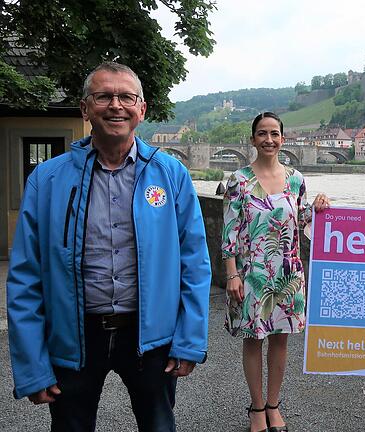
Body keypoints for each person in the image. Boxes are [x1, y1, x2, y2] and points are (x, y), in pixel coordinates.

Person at [6, 61, 211, 430]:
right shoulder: (48, 179)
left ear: (141, 109)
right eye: (103, 96)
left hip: (151, 337)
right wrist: (32, 366)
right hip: (74, 336)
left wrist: (189, 340)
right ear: (85, 109)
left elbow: (194, 262)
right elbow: (25, 276)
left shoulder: (170, 174)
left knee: (159, 426)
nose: (116, 105)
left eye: (126, 96)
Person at [221, 112, 329, 432]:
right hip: (251, 271)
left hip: (287, 271)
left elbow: (305, 221)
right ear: (253, 139)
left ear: (283, 138)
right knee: (254, 340)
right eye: (262, 133)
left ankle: (273, 405)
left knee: (281, 341)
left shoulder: (296, 179)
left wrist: (320, 207)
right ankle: (256, 408)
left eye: (275, 134)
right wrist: (231, 274)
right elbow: (230, 231)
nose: (269, 139)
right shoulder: (239, 180)